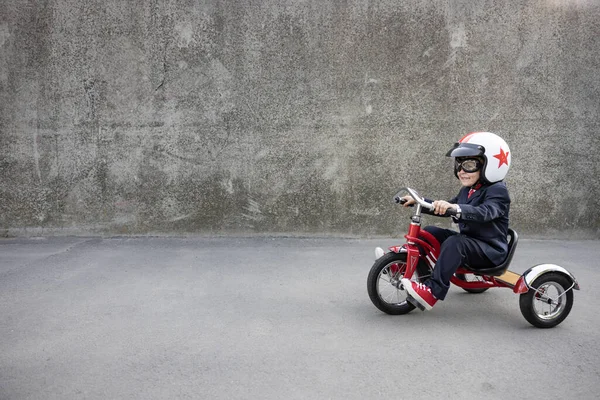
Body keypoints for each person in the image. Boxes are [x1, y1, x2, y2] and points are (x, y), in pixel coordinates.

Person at [399, 131, 512, 310]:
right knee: (430, 232)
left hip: (489, 251)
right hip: (472, 244)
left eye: (468, 165)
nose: (461, 171)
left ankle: (432, 291)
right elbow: (449, 206)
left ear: (490, 165)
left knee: (454, 243)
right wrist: (420, 201)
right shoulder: (468, 190)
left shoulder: (498, 191)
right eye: (459, 165)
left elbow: (486, 212)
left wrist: (458, 209)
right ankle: (410, 268)